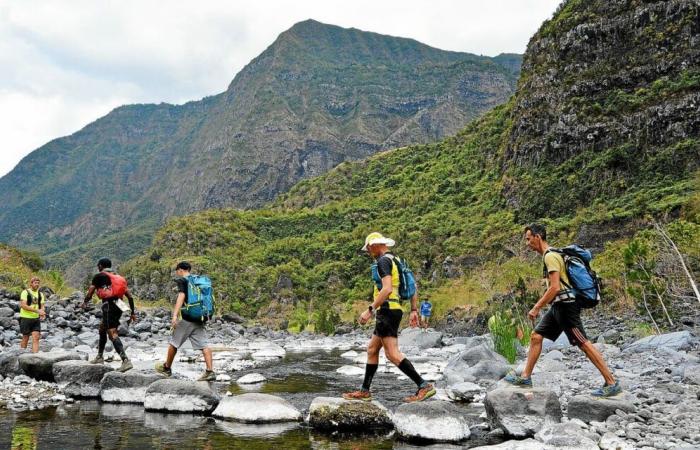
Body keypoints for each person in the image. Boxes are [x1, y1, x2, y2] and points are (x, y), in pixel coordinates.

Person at [505, 224, 621, 397]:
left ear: (538, 237)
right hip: (558, 307)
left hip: (566, 307)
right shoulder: (551, 255)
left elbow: (555, 288)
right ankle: (526, 377)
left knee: (583, 343)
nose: (527, 243)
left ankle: (611, 382)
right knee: (536, 336)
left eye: (528, 239)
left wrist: (536, 307)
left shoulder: (550, 257)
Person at [343, 232, 435, 402]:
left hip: (387, 310)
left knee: (392, 354)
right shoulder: (397, 260)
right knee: (372, 350)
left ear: (376, 245)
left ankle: (424, 386)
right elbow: (413, 286)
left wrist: (370, 310)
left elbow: (386, 289)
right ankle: (365, 391)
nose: (369, 251)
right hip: (394, 308)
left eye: (370, 247)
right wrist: (414, 309)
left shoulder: (383, 261)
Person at [155, 261, 216, 381]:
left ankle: (167, 368)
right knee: (204, 345)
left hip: (187, 318)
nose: (177, 273)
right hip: (200, 317)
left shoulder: (184, 280)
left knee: (174, 343)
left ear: (180, 270)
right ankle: (210, 371)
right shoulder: (197, 280)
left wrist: (174, 316)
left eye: (177, 271)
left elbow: (181, 297)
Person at [81, 258, 136, 372]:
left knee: (112, 332)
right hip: (119, 304)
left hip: (108, 305)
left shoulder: (99, 276)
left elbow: (90, 292)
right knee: (102, 328)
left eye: (98, 266)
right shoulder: (118, 278)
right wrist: (133, 313)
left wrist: (85, 302)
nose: (98, 267)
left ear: (101, 266)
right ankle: (100, 357)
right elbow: (130, 297)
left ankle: (125, 360)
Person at [19, 277, 46, 353]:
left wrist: (42, 312)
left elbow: (42, 305)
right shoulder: (25, 292)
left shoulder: (40, 294)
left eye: (38, 283)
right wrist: (37, 310)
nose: (37, 284)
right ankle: (21, 354)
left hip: (36, 319)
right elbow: (23, 305)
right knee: (25, 337)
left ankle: (35, 357)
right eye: (35, 283)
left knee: (36, 337)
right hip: (25, 318)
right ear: (31, 284)